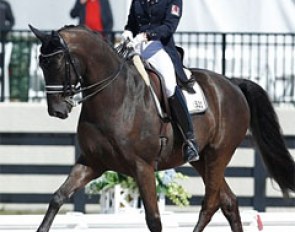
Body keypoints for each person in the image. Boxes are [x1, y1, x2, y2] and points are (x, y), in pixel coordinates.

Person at [122, 0, 199, 162]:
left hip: (159, 46)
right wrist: (128, 32)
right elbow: (131, 22)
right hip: (136, 45)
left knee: (170, 87)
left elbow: (169, 27)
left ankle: (190, 140)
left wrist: (147, 35)